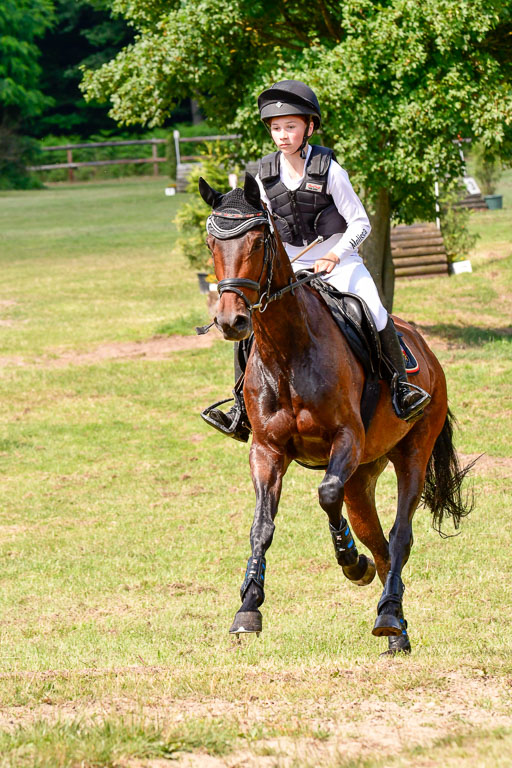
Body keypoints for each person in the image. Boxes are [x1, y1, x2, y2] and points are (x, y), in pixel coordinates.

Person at [205, 80, 430, 440]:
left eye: (290, 126)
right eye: (276, 128)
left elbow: (360, 222)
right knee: (256, 320)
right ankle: (238, 408)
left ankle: (402, 388)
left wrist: (335, 254)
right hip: (289, 266)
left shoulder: (330, 170)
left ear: (309, 127)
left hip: (339, 259)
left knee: (372, 308)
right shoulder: (263, 175)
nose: (282, 135)